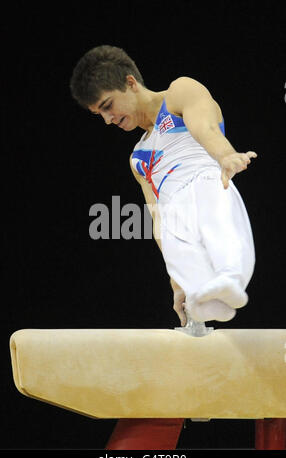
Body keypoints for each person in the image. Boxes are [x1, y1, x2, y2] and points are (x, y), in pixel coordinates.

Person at [70, 45, 257, 328]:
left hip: (206, 181)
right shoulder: (137, 159)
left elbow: (204, 127)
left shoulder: (179, 93)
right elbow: (157, 218)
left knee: (210, 204)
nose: (108, 119)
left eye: (107, 105)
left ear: (130, 83)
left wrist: (225, 155)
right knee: (172, 231)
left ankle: (230, 277)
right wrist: (176, 280)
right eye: (99, 114)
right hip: (174, 212)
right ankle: (200, 295)